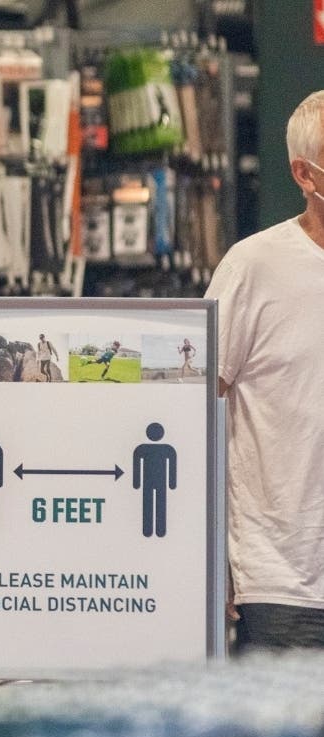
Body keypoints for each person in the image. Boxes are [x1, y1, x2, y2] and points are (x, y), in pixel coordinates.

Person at [205, 90, 324, 652]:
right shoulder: (254, 267)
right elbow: (198, 409)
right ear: (305, 174)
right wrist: (210, 552)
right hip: (284, 581)